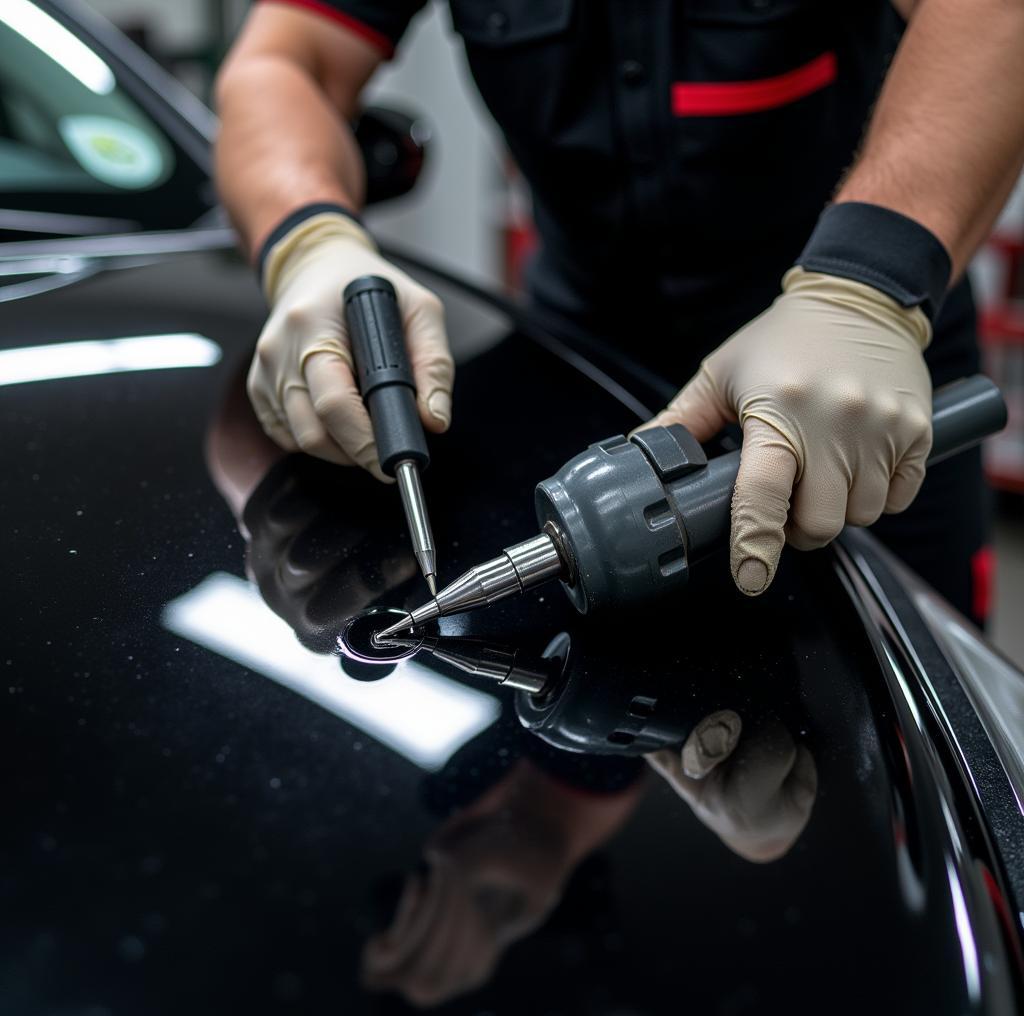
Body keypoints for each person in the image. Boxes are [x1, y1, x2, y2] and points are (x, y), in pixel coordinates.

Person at [214, 0, 1024, 622]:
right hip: (581, 363)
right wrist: (310, 242)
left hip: (856, 366)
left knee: (920, 744)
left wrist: (864, 283)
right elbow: (288, 61)